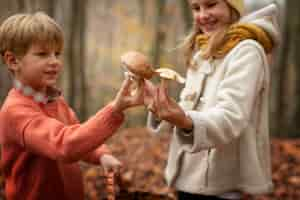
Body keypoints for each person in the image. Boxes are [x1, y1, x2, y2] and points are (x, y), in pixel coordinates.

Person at [0, 12, 144, 200]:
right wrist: (115, 109)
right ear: (13, 61)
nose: (54, 61)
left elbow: (78, 133)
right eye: (43, 54)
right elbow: (65, 144)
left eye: (57, 53)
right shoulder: (16, 112)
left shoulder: (54, 100)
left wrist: (101, 155)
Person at [146, 0, 280, 199]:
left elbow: (231, 117)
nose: (202, 15)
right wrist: (158, 106)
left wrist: (184, 120)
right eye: (196, 8)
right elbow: (188, 107)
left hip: (220, 181)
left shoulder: (246, 51)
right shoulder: (202, 52)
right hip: (189, 174)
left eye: (210, 5)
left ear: (233, 7)